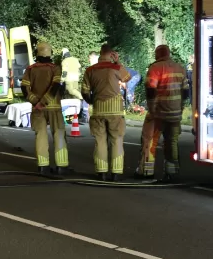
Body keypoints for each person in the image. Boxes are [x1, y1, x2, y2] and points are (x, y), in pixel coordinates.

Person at [135, 45, 189, 181]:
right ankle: (171, 173)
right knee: (172, 142)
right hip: (175, 114)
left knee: (150, 141)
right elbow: (186, 91)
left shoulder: (155, 68)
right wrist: (181, 107)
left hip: (158, 113)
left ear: (157, 54)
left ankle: (146, 172)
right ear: (169, 54)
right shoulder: (180, 68)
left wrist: (152, 108)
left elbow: (150, 89)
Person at [81, 44, 131, 181]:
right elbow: (127, 78)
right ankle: (116, 173)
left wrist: (92, 101)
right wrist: (118, 62)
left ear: (100, 54)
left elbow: (84, 91)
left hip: (98, 110)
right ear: (111, 54)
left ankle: (102, 172)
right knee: (117, 140)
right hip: (115, 111)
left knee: (100, 141)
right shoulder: (115, 68)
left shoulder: (90, 70)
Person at [21, 42, 72, 175]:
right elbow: (55, 86)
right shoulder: (55, 68)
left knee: (40, 136)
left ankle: (43, 166)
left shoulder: (30, 69)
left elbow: (24, 88)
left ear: (37, 53)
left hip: (38, 109)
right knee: (59, 134)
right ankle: (61, 166)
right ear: (50, 54)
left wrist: (36, 102)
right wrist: (45, 101)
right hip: (54, 107)